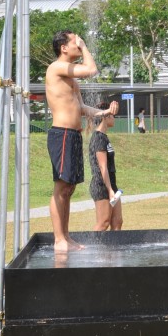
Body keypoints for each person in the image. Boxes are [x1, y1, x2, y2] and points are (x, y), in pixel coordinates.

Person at [45, 30, 118, 253]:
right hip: (62, 134)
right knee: (61, 187)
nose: (78, 44)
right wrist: (85, 47)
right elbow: (92, 70)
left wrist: (103, 112)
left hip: (74, 135)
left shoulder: (71, 78)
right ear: (63, 48)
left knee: (69, 188)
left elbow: (81, 108)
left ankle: (66, 237)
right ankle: (59, 239)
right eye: (74, 42)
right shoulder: (56, 67)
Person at [89, 103, 122, 231]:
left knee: (117, 221)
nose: (114, 118)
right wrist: (109, 190)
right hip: (101, 185)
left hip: (111, 184)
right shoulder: (98, 138)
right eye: (112, 116)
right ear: (105, 117)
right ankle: (93, 249)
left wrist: (113, 188)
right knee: (103, 222)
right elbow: (103, 167)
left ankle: (114, 251)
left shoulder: (104, 137)